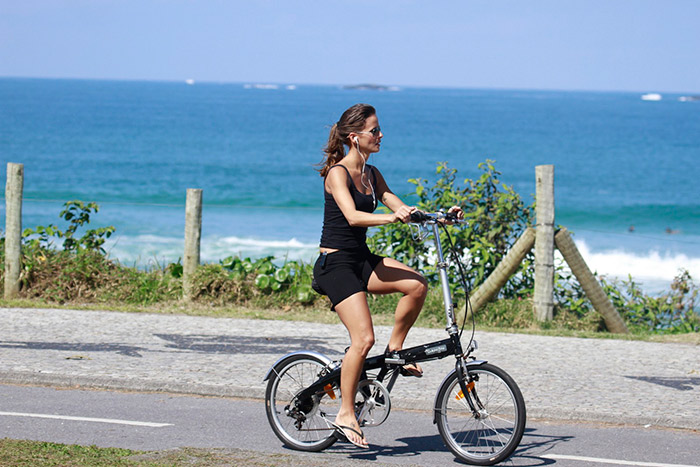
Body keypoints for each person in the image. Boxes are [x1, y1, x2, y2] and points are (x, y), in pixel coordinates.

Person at [312, 103, 463, 448]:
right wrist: (391, 219)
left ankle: (396, 350)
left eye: (380, 130)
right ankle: (346, 413)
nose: (381, 135)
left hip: (361, 259)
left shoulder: (372, 174)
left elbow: (400, 206)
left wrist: (441, 217)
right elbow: (352, 217)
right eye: (375, 131)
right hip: (335, 264)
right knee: (363, 340)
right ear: (355, 137)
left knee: (416, 284)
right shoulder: (338, 173)